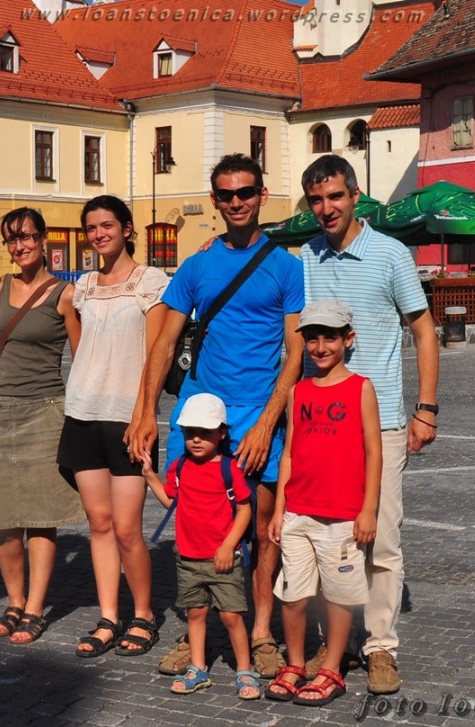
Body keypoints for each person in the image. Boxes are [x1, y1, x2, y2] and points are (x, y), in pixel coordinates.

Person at [128, 153, 304, 679]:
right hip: (200, 414)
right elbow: (163, 344)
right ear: (215, 201)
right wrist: (145, 413)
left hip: (257, 413)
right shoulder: (196, 266)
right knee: (198, 525)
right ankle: (196, 632)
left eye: (245, 192)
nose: (236, 202)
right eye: (226, 194)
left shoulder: (286, 266)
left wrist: (268, 423)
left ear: (262, 195)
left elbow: (295, 351)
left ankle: (262, 633)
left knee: (263, 530)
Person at [299, 155, 439, 694]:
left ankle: (380, 646)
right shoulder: (306, 257)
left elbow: (423, 331)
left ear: (355, 196)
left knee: (380, 540)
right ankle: (332, 642)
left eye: (335, 196)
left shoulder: (390, 254)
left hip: (380, 424)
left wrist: (426, 408)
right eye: (317, 200)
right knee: (324, 538)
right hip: (320, 423)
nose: (326, 208)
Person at [57, 195, 168, 658]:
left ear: (126, 229)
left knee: (126, 529)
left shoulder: (150, 282)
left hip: (128, 418)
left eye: (107, 225)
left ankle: (143, 614)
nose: (99, 234)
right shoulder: (82, 286)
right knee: (99, 524)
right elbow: (80, 345)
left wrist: (146, 414)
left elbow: (157, 353)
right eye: (91, 228)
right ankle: (108, 617)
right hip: (83, 413)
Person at [0, 207, 84, 644]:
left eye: (26, 236)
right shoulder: (1, 286)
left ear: (43, 239)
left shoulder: (65, 294)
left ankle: (35, 607)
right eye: (12, 239)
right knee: (2, 516)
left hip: (44, 410)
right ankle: (14, 600)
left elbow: (82, 357)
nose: (19, 246)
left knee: (41, 516)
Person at [266, 300, 381, 706]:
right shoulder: (297, 392)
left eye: (329, 338)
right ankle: (296, 663)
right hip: (298, 513)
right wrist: (279, 510)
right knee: (293, 595)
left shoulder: (361, 388)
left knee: (338, 595)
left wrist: (368, 510)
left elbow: (374, 452)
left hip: (342, 517)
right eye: (312, 339)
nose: (319, 347)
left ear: (348, 340)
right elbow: (289, 455)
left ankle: (332, 668)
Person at [141, 393, 260, 700]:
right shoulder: (179, 467)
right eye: (190, 432)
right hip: (188, 557)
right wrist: (150, 476)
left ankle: (244, 669)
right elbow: (171, 502)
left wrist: (228, 546)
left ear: (221, 433)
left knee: (231, 616)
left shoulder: (229, 469)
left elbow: (244, 511)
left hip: (223, 559)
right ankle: (198, 668)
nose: (196, 439)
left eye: (204, 432)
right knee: (195, 613)